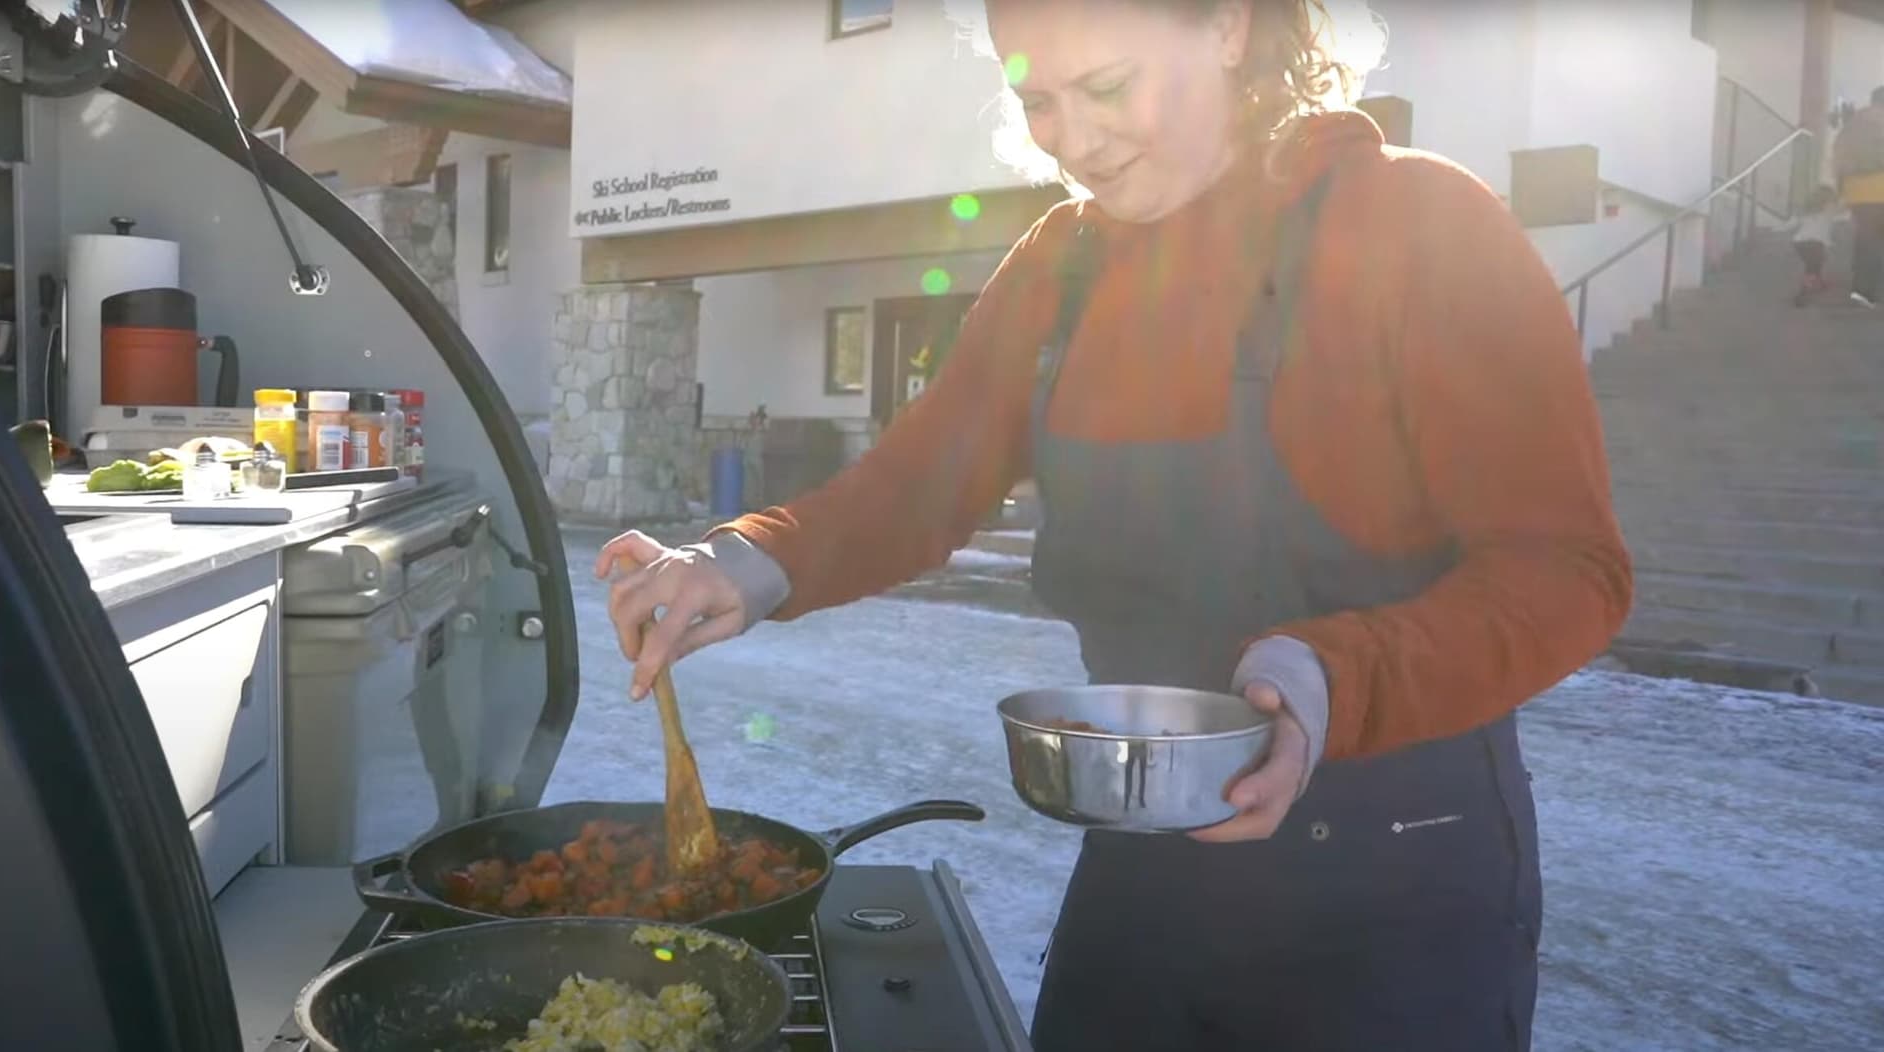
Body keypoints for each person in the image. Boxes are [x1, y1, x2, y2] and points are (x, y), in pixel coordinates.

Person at [596, 1, 1632, 1048]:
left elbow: (1567, 570)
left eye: (1105, 87)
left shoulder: (1417, 222)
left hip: (1393, 884)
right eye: (1035, 99)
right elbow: (921, 481)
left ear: (1229, 28)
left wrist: (1332, 675)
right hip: (1147, 861)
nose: (1072, 140)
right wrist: (747, 557)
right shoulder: (1062, 265)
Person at [1832, 85, 1884, 306]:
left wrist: (1841, 188)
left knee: (1866, 240)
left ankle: (1862, 291)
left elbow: (1839, 154)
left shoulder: (1853, 123)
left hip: (1857, 191)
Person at [1790, 184, 1840, 307]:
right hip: (1815, 242)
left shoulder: (1807, 211)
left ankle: (1820, 283)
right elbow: (1825, 229)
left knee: (1816, 262)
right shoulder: (1829, 211)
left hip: (1799, 242)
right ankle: (1803, 293)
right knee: (1812, 266)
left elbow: (1794, 222)